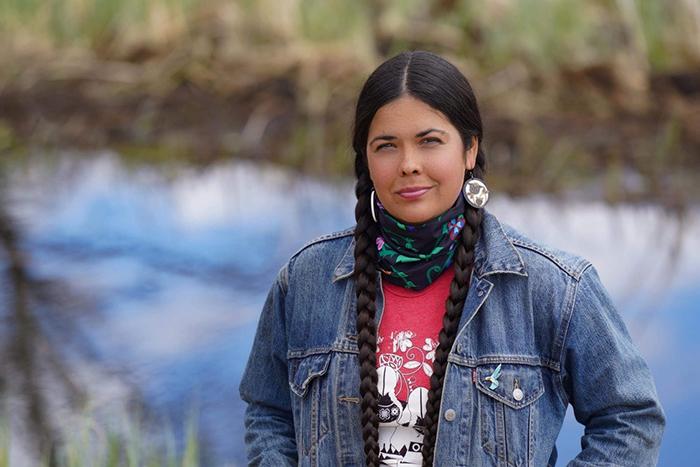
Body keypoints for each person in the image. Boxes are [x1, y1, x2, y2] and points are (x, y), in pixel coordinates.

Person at [239, 50, 665, 467]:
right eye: (386, 146)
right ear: (365, 161)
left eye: (430, 142)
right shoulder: (305, 281)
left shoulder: (554, 287)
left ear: (469, 150)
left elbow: (630, 419)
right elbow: (269, 411)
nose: (408, 165)